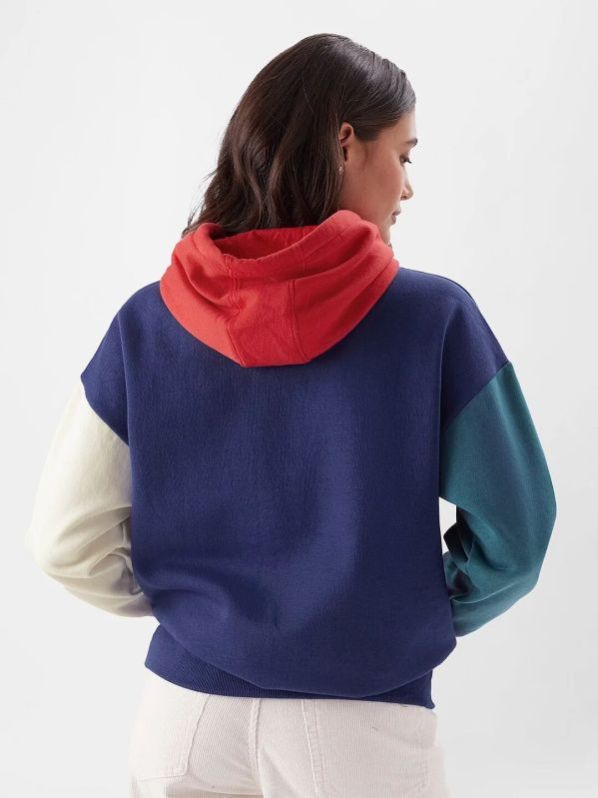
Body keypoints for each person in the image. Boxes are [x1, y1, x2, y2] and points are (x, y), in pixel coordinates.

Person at [24, 32, 557, 798]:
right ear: (346, 143)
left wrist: (196, 613)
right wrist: (407, 612)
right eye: (404, 155)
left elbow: (62, 539)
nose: (407, 188)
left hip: (185, 721)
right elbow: (517, 538)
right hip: (363, 724)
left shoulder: (148, 321)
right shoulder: (435, 318)